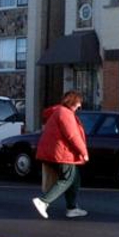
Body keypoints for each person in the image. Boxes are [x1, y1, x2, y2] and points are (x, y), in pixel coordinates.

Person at [32, 90, 89, 219]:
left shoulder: (59, 112)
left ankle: (72, 208)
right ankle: (43, 201)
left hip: (57, 152)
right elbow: (72, 135)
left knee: (75, 178)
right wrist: (84, 152)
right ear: (73, 102)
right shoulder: (65, 113)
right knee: (67, 178)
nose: (80, 106)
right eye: (78, 102)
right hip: (62, 153)